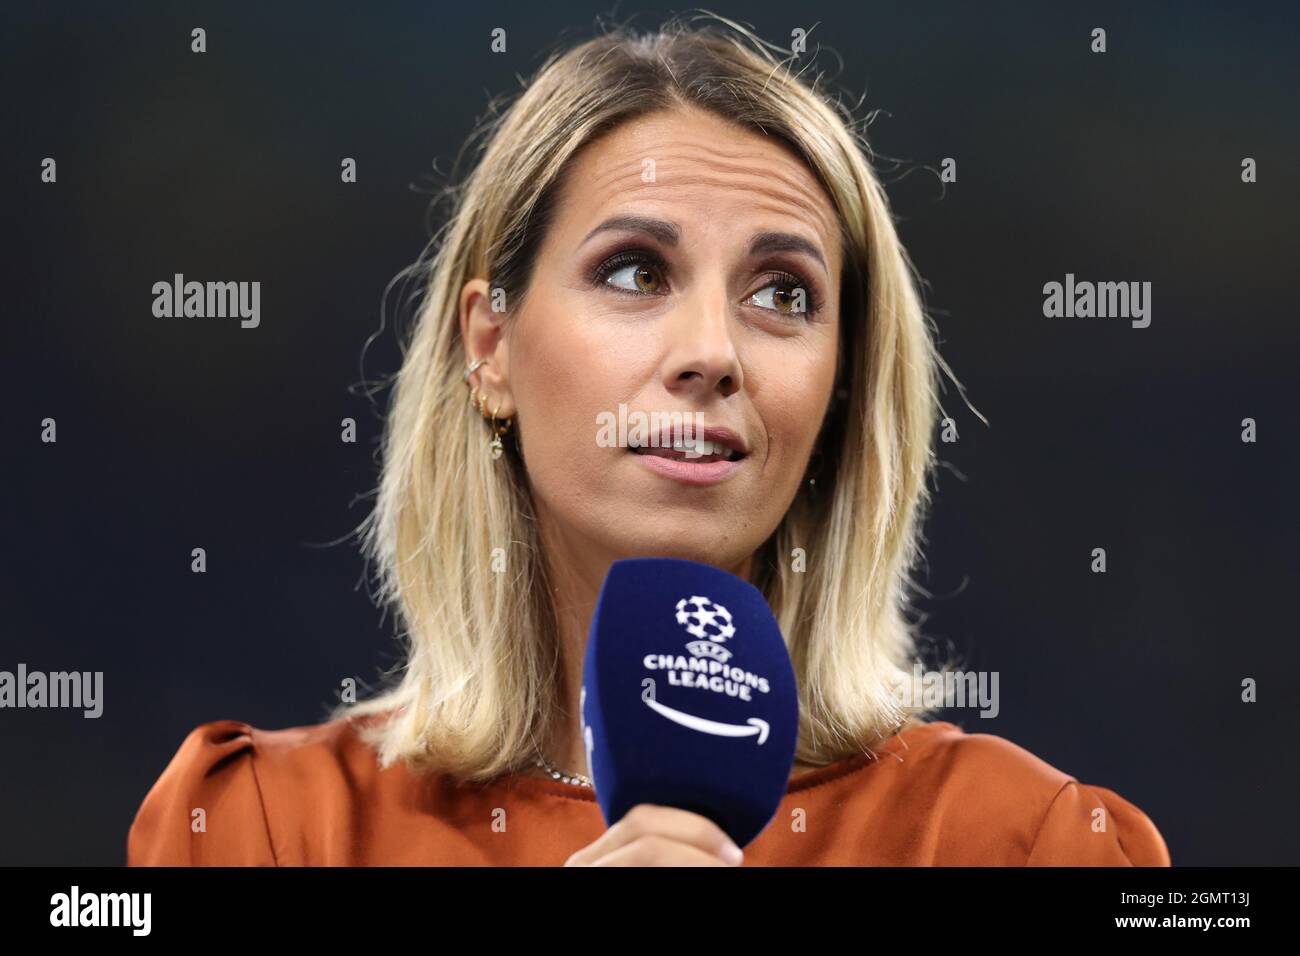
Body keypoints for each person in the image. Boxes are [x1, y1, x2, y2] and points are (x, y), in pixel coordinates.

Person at [128, 14, 1170, 867]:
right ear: (489, 347)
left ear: (842, 392)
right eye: (634, 271)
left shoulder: (1019, 842)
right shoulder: (262, 831)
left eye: (782, 292)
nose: (713, 351)